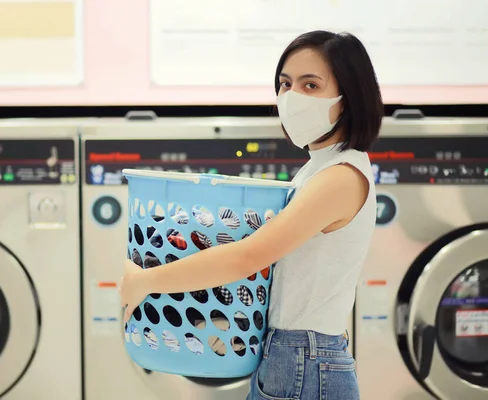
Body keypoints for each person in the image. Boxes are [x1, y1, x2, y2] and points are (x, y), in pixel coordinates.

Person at [120, 30, 383, 400]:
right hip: (295, 356)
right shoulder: (319, 169)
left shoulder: (340, 177)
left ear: (349, 97)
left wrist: (147, 281)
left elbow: (249, 257)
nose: (292, 98)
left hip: (304, 359)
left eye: (311, 85)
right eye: (285, 84)